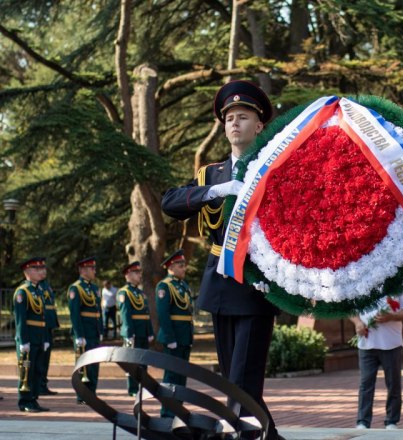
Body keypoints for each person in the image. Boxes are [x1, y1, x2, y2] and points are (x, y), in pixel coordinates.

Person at [161, 80, 283, 440]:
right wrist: (217, 191)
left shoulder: (273, 171)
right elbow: (170, 202)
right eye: (229, 118)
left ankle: (244, 434)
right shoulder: (210, 175)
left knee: (243, 377)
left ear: (259, 126)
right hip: (219, 285)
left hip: (256, 285)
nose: (234, 123)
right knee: (234, 377)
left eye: (243, 117)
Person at [350, 286, 403, 430]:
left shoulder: (400, 281)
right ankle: (362, 421)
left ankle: (392, 421)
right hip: (366, 343)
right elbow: (349, 308)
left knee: (393, 383)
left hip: (391, 343)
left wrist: (392, 316)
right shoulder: (361, 279)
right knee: (365, 384)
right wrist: (357, 322)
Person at [156, 250, 194, 418]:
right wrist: (170, 338)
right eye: (180, 266)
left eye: (183, 265)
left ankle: (177, 408)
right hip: (174, 338)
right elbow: (163, 314)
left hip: (184, 337)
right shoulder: (165, 286)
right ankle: (167, 411)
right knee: (171, 375)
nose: (183, 268)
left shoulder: (183, 286)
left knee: (181, 376)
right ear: (170, 267)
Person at [14, 257, 49, 412]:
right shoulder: (23, 292)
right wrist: (23, 340)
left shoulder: (38, 290)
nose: (40, 271)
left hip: (39, 337)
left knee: (37, 370)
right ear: (27, 272)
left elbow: (43, 317)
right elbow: (21, 319)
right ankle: (25, 401)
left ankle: (33, 399)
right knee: (26, 370)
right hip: (28, 337)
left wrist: (45, 338)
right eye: (36, 269)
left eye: (41, 268)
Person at [68, 257, 102, 404]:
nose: (94, 271)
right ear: (83, 270)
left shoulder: (94, 288)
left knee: (94, 365)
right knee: (83, 366)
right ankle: (82, 395)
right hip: (84, 332)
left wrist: (100, 329)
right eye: (91, 268)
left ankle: (92, 393)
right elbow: (75, 314)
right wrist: (79, 334)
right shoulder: (76, 288)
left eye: (94, 268)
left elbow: (98, 311)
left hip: (93, 331)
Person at [118, 261, 154, 396]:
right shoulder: (124, 293)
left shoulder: (140, 293)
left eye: (140, 272)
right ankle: (133, 389)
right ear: (127, 275)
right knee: (132, 362)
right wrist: (128, 333)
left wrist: (149, 331)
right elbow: (126, 314)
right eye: (136, 272)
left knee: (143, 361)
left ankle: (142, 386)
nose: (139, 275)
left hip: (143, 332)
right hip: (133, 332)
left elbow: (146, 314)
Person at [40, 267, 59, 396]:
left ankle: (43, 384)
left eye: (44, 268)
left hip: (48, 325)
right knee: (40, 358)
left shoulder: (45, 285)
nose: (44, 271)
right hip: (41, 326)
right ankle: (38, 385)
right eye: (40, 269)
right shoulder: (36, 287)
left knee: (45, 358)